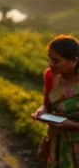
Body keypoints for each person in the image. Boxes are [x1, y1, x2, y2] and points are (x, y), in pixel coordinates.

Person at [32, 35, 79, 166]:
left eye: (56, 61)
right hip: (56, 143)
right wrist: (41, 111)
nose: (50, 64)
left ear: (74, 60)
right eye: (49, 59)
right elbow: (47, 105)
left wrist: (72, 125)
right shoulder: (50, 76)